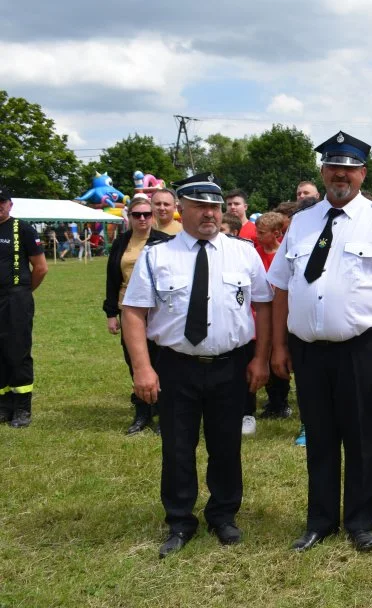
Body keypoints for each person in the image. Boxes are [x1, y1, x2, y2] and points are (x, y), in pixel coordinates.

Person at [267, 131, 372, 554]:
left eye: (350, 169)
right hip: (308, 349)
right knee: (318, 435)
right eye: (334, 167)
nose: (341, 175)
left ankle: (360, 521)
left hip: (361, 348)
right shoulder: (301, 222)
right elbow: (280, 286)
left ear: (362, 173)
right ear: (323, 171)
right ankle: (320, 520)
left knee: (360, 436)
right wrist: (278, 347)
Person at [121, 173, 273, 559]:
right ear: (180, 209)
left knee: (226, 445)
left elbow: (265, 306)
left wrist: (260, 358)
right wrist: (143, 368)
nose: (209, 214)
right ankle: (179, 520)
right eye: (200, 206)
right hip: (175, 366)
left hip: (230, 365)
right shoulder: (157, 256)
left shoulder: (244, 253)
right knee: (176, 447)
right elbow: (134, 313)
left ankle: (223, 515)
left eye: (214, 207)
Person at [103, 196, 173, 434]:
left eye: (146, 214)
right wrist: (111, 313)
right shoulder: (121, 242)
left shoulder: (165, 242)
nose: (142, 219)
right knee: (135, 363)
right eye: (137, 215)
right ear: (129, 217)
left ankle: (164, 415)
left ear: (153, 216)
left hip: (159, 311)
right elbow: (112, 278)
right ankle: (142, 413)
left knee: (161, 363)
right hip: (128, 310)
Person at [0, 185, 48, 427]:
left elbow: (41, 267)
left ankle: (22, 407)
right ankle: (3, 404)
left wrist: (24, 292)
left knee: (17, 350)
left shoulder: (23, 229)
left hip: (16, 298)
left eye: (2, 202)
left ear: (10, 204)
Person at [252, 212, 291, 420]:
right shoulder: (254, 254)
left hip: (281, 314)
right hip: (259, 313)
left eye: (261, 233)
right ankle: (272, 399)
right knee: (263, 355)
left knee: (279, 355)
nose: (257, 236)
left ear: (276, 233)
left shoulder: (284, 256)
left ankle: (281, 401)